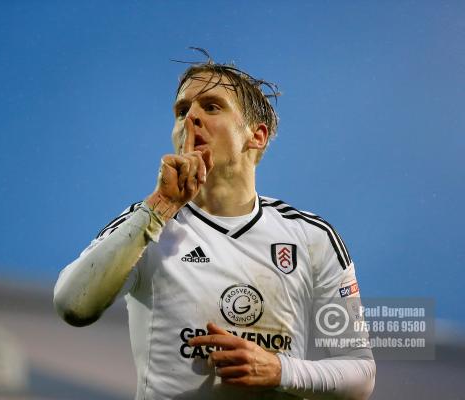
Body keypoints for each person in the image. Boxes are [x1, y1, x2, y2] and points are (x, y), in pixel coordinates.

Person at [54, 53, 376, 399]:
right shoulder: (148, 224)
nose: (190, 117)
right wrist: (160, 208)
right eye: (182, 111)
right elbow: (73, 306)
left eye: (211, 107)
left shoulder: (313, 239)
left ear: (257, 136)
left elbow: (359, 373)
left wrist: (281, 370)